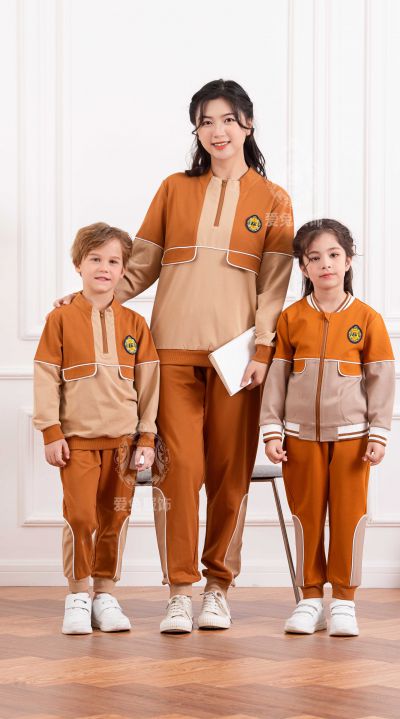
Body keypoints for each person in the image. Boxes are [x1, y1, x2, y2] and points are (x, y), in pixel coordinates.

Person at [55, 79, 294, 633]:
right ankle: (180, 592)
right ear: (196, 131)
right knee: (178, 474)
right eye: (206, 121)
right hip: (170, 355)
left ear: (247, 125)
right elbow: (138, 266)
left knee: (230, 477)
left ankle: (218, 588)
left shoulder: (274, 200)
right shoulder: (173, 189)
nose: (217, 131)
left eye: (227, 120)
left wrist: (263, 348)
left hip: (238, 360)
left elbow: (274, 285)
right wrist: (92, 297)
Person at [261, 219, 395, 636]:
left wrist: (378, 432)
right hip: (299, 439)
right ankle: (310, 599)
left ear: (348, 260)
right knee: (305, 516)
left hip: (354, 441)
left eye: (334, 255)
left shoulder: (367, 319)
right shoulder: (291, 319)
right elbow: (276, 379)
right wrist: (272, 429)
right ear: (303, 267)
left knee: (349, 517)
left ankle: (344, 602)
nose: (326, 265)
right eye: (315, 258)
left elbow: (382, 380)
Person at [33, 223, 160, 634]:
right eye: (95, 259)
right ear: (78, 264)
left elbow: (149, 385)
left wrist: (146, 436)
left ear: (124, 270)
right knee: (80, 517)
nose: (104, 268)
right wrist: (50, 430)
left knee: (114, 517)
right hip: (77, 444)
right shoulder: (60, 319)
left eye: (113, 261)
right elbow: (46, 377)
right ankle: (77, 595)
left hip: (124, 443)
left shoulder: (136, 324)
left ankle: (105, 594)